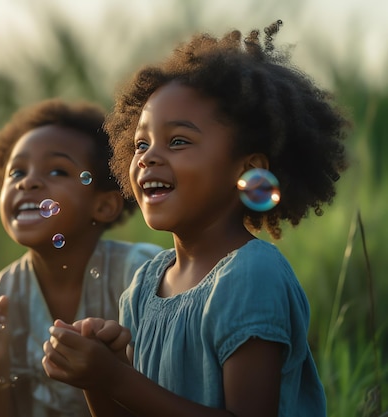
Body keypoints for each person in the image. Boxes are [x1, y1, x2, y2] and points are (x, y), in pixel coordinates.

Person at [42, 21, 350, 417]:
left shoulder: (252, 275)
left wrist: (117, 379)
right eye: (140, 144)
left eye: (179, 141)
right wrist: (100, 375)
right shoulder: (143, 287)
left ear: (249, 170)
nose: (148, 157)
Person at [0, 98, 163, 417]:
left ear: (104, 205)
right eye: (16, 172)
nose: (28, 182)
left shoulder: (144, 276)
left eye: (57, 170)